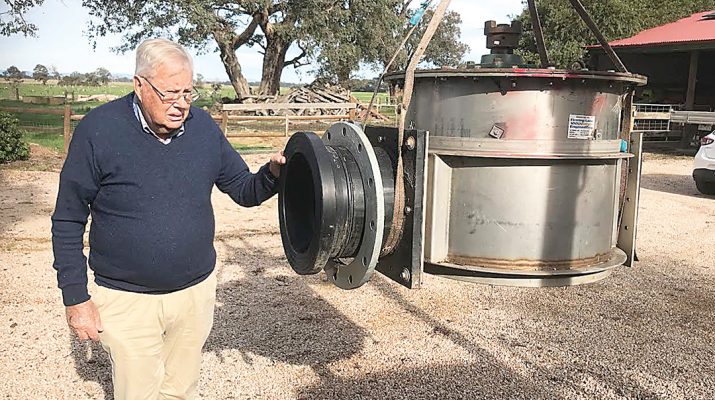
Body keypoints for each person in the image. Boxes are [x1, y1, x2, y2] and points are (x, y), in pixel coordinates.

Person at [51, 38, 285, 399]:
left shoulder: (203, 128)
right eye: (170, 93)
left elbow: (243, 189)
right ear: (140, 85)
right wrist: (76, 297)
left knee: (181, 391)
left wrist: (273, 173)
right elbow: (67, 219)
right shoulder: (98, 132)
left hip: (195, 295)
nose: (180, 104)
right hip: (126, 299)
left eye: (188, 93)